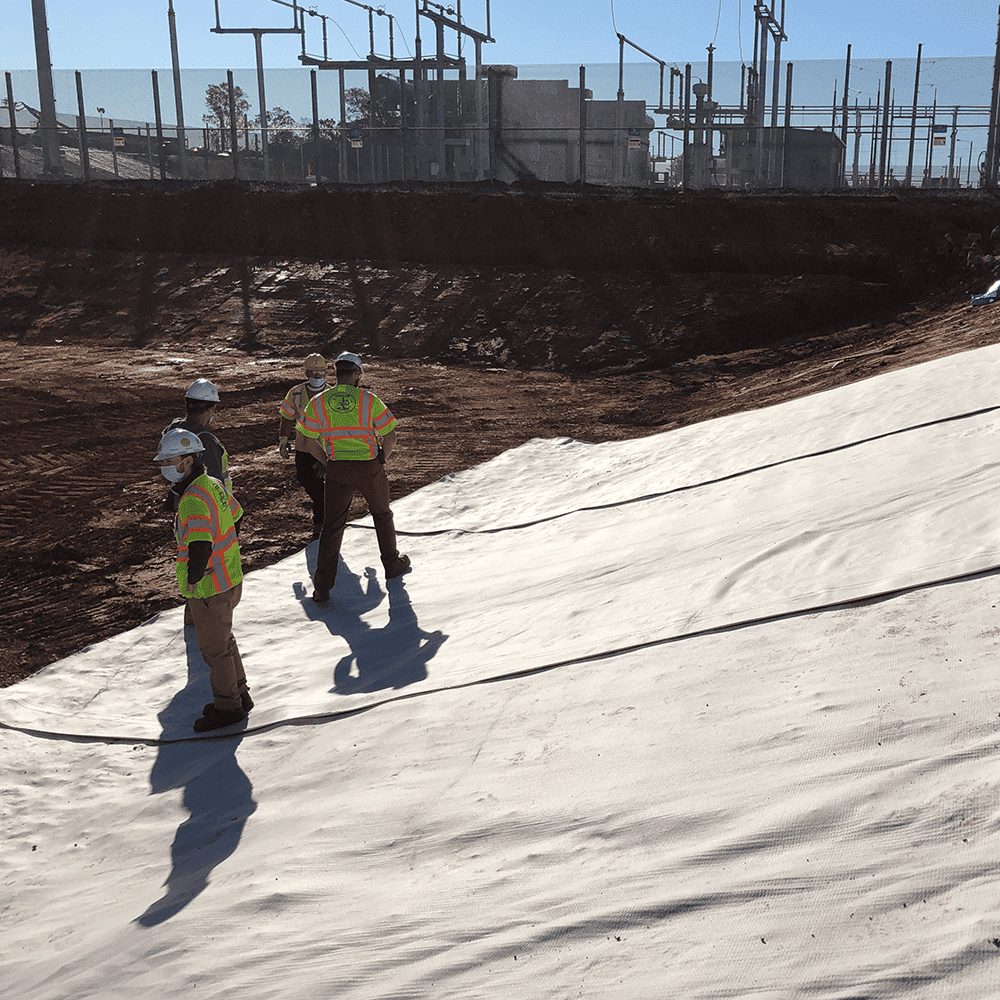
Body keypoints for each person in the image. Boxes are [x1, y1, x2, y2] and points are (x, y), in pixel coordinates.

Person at [154, 427, 252, 733]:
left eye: (171, 459)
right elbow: (236, 516)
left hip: (210, 587)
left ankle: (229, 707)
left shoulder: (193, 499)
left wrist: (195, 579)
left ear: (188, 460)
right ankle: (240, 694)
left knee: (214, 650)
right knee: (225, 641)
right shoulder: (212, 484)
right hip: (229, 578)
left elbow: (199, 545)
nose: (165, 467)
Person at [297, 351, 410, 603]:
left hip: (337, 469)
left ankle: (322, 587)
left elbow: (306, 440)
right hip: (369, 467)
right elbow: (391, 436)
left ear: (337, 373)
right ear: (357, 374)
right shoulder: (369, 400)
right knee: (382, 515)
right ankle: (392, 564)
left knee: (332, 526)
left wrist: (327, 460)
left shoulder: (318, 402)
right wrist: (381, 459)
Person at [277, 353, 328, 537]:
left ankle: (321, 523)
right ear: (306, 372)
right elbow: (287, 417)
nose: (317, 377)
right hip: (304, 449)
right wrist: (283, 440)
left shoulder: (331, 394)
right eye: (313, 373)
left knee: (325, 487)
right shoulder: (296, 393)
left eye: (320, 373)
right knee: (306, 479)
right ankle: (322, 512)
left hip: (326, 450)